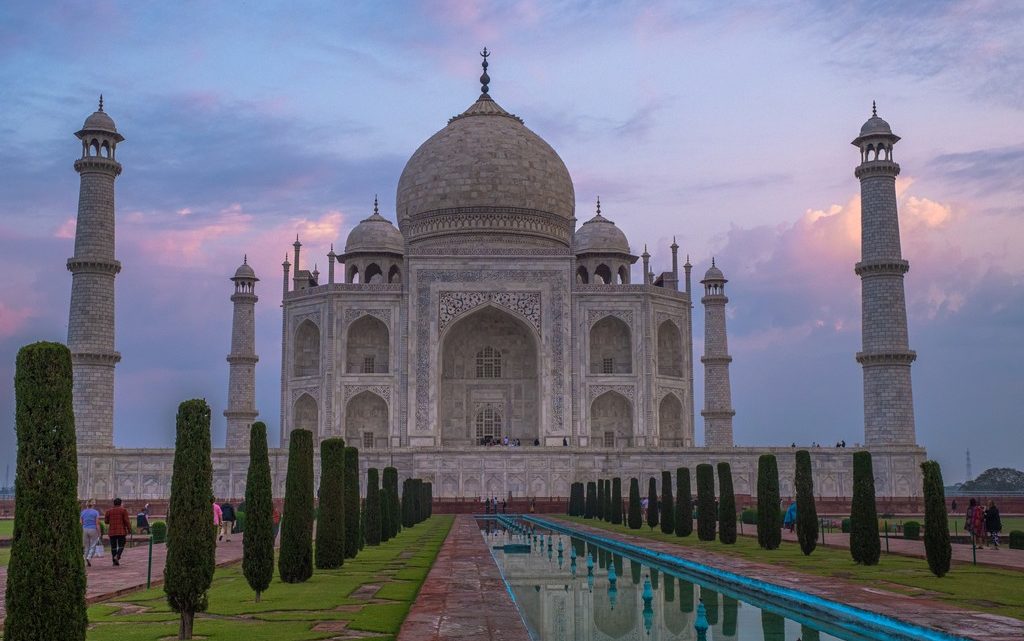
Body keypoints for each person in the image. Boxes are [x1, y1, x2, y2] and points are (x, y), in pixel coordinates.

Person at [104, 497, 132, 566]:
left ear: (114, 503)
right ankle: (117, 556)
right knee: (121, 545)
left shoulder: (109, 511)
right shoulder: (123, 510)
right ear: (120, 503)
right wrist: (129, 530)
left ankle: (114, 561)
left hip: (112, 531)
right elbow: (127, 521)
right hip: (121, 531)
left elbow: (106, 521)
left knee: (113, 547)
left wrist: (111, 521)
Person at [81, 499, 101, 567]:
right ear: (93, 505)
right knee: (93, 544)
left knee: (86, 546)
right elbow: (97, 523)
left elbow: (81, 522)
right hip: (93, 529)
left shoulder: (83, 512)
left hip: (85, 529)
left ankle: (84, 559)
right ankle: (89, 557)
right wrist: (99, 532)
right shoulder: (95, 512)